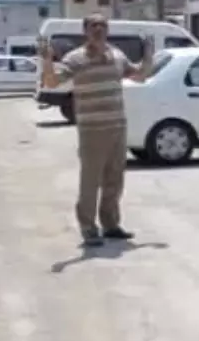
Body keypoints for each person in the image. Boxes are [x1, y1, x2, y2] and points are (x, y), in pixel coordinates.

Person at [39, 14, 154, 246]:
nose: (99, 29)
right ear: (85, 31)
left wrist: (149, 53)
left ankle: (111, 224)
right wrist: (47, 60)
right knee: (90, 181)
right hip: (92, 130)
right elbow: (51, 83)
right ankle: (88, 228)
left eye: (103, 25)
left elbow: (141, 76)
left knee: (114, 180)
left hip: (117, 126)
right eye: (94, 26)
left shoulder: (117, 56)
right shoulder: (75, 59)